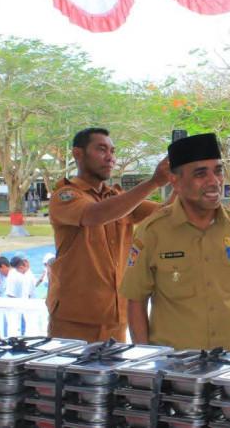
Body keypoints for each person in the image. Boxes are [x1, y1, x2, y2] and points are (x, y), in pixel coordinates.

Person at [121, 133, 230, 353]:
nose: (214, 181)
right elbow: (136, 302)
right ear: (175, 181)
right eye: (200, 174)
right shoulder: (152, 232)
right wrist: (146, 360)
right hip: (175, 365)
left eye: (218, 171)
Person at [48, 128, 170, 342]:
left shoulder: (118, 198)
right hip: (74, 322)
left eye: (112, 151)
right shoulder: (65, 196)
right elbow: (95, 215)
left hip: (116, 320)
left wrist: (181, 180)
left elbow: (166, 214)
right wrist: (154, 182)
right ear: (78, 154)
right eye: (101, 149)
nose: (110, 157)